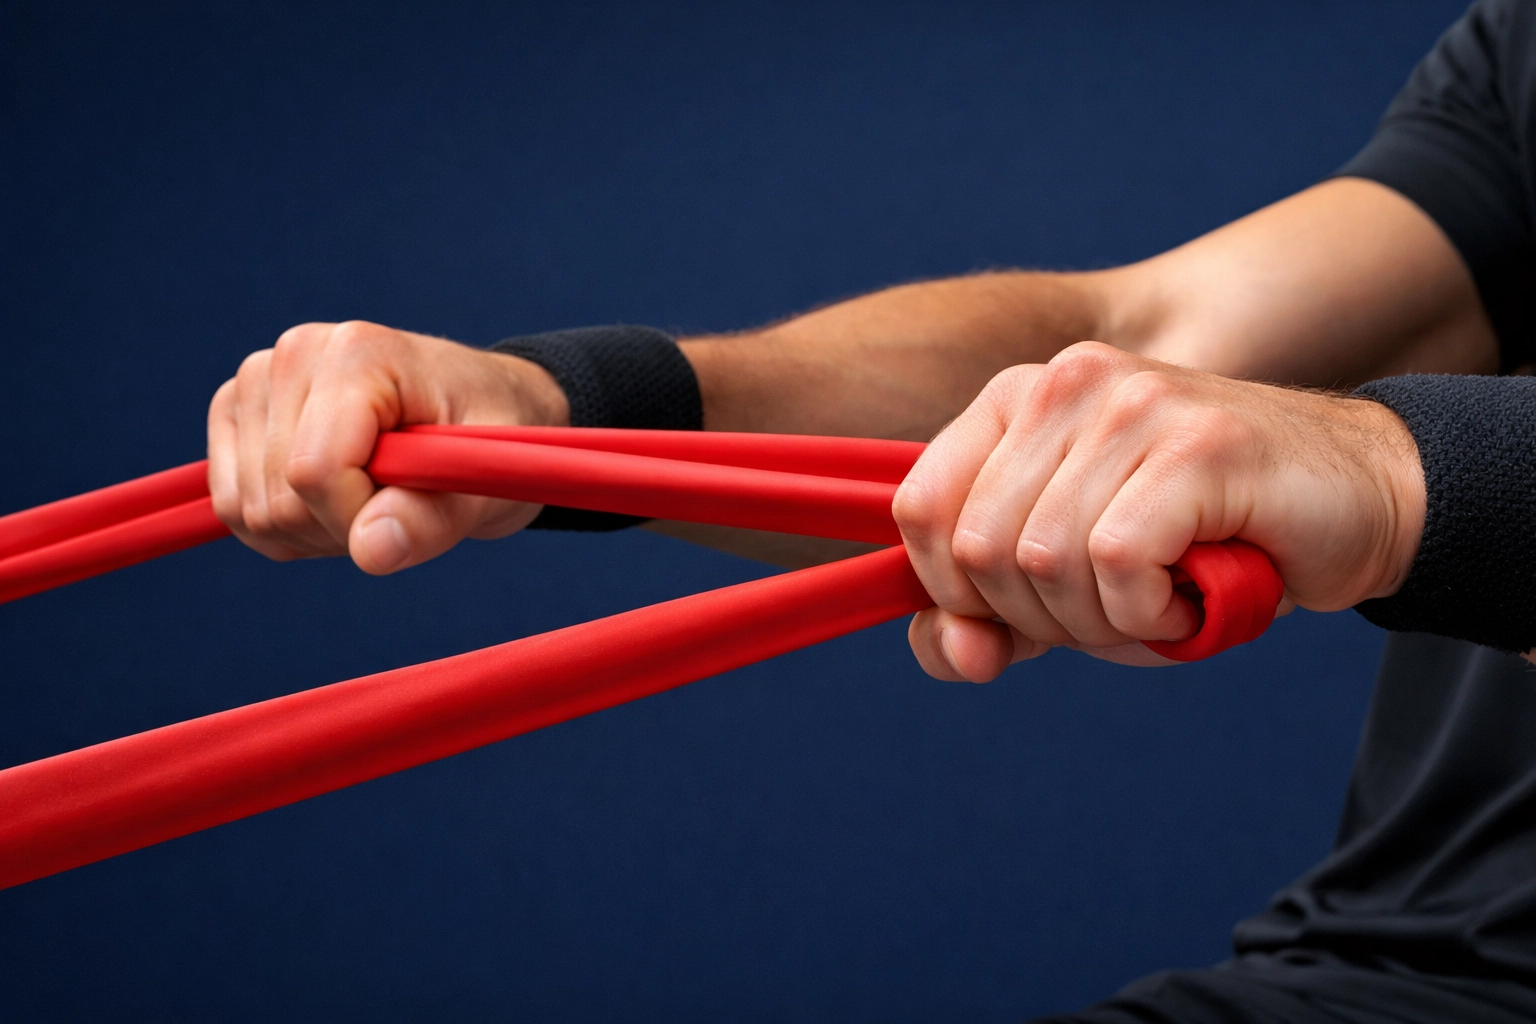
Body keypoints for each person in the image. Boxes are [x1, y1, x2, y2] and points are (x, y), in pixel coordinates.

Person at [204, 1, 1536, 1020]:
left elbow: (1315, 440)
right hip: (1385, 970)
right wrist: (556, 409)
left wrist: (1389, 475)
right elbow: (1147, 336)